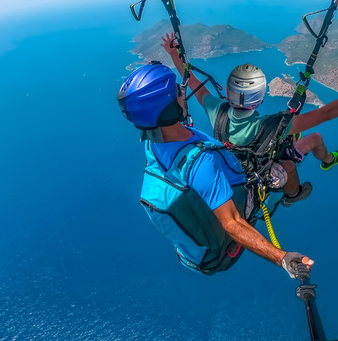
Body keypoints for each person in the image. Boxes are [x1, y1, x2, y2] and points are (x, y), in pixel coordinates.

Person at [160, 33, 338, 206]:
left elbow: (194, 83)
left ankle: (324, 162)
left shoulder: (217, 111)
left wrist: (174, 56)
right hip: (262, 174)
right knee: (313, 139)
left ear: (227, 93)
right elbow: (327, 113)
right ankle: (299, 189)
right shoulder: (274, 126)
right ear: (259, 101)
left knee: (303, 137)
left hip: (232, 170)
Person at [117, 61, 313, 279]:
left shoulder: (152, 144)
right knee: (286, 163)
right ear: (169, 106)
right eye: (178, 93)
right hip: (236, 213)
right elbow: (232, 223)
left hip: (194, 245)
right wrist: (282, 258)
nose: (183, 93)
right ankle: (292, 196)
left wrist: (174, 54)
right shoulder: (202, 163)